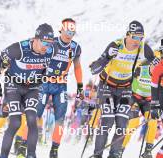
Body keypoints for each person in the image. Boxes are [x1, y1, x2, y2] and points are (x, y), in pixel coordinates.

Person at [89, 20, 158, 158]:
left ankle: (114, 155)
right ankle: (97, 154)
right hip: (107, 86)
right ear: (127, 35)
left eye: (140, 37)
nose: (137, 41)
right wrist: (107, 57)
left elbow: (155, 62)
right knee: (107, 122)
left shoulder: (143, 48)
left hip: (125, 88)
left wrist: (155, 64)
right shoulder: (116, 45)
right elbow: (94, 69)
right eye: (135, 37)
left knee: (122, 125)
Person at [0, 23, 55, 158]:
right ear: (36, 39)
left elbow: (46, 67)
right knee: (15, 122)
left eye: (50, 44)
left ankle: (31, 155)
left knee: (32, 120)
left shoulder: (50, 51)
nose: (47, 46)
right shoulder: (19, 48)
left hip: (32, 87)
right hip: (13, 85)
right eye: (44, 42)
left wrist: (43, 76)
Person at [34, 18, 83, 158]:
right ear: (61, 29)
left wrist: (80, 86)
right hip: (44, 83)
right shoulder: (51, 43)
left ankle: (54, 150)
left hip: (61, 85)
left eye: (72, 33)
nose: (69, 35)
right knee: (34, 114)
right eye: (67, 31)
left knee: (60, 119)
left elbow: (77, 67)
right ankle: (23, 143)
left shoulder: (75, 47)